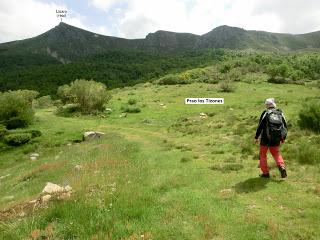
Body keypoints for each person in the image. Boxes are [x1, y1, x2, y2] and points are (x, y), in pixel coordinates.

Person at [255, 98, 287, 178]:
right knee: (276, 153)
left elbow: (260, 126)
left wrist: (256, 137)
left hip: (265, 137)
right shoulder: (280, 113)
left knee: (263, 154)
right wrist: (283, 138)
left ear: (267, 105)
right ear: (274, 104)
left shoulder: (265, 113)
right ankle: (282, 167)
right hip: (276, 137)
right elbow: (285, 126)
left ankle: (265, 173)